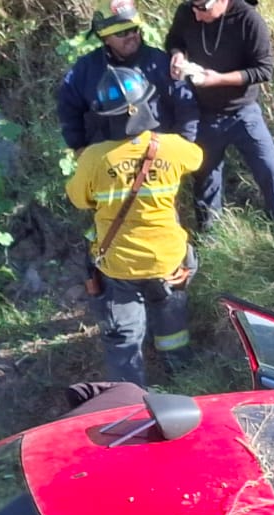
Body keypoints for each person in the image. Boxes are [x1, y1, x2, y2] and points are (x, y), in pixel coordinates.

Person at [66, 66, 202, 388]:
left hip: (119, 268)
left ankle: (129, 403)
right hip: (169, 262)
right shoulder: (171, 147)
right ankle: (185, 384)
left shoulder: (94, 158)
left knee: (123, 342)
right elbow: (196, 158)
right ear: (146, 105)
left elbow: (79, 200)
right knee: (174, 333)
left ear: (104, 114)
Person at [166, 0, 274, 229]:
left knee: (270, 170)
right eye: (193, 8)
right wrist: (177, 56)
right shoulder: (187, 12)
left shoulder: (248, 19)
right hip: (204, 113)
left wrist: (220, 79)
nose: (196, 16)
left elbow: (264, 69)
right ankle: (210, 240)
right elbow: (174, 41)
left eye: (202, 10)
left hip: (243, 112)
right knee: (205, 180)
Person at [57, 0, 199, 152]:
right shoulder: (85, 70)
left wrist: (183, 143)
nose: (131, 36)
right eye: (122, 33)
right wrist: (78, 147)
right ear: (105, 38)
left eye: (134, 29)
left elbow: (186, 105)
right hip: (107, 157)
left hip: (157, 154)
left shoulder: (160, 63)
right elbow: (68, 109)